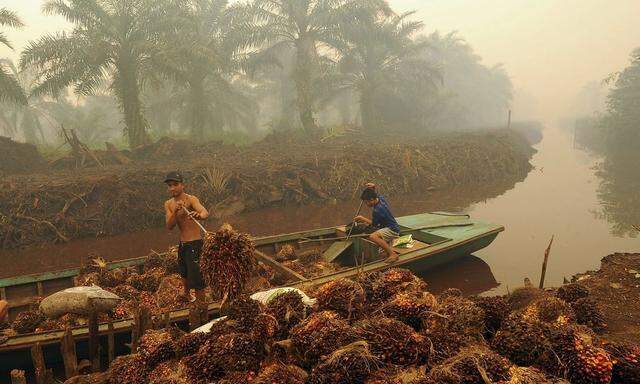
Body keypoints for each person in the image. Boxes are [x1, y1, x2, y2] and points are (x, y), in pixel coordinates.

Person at [164, 171, 209, 303]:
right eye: (170, 185)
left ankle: (202, 304)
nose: (172, 188)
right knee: (184, 274)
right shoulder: (168, 204)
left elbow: (205, 212)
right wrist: (176, 211)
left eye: (175, 184)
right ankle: (188, 297)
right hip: (183, 244)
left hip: (195, 243)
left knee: (197, 280)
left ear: (182, 185)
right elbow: (169, 226)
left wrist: (198, 215)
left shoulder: (191, 199)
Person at [354, 183, 400, 263]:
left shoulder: (377, 210)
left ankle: (393, 254)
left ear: (372, 200)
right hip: (391, 226)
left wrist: (362, 219)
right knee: (381, 253)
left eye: (366, 202)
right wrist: (373, 188)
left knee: (373, 236)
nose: (366, 204)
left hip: (392, 230)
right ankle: (386, 251)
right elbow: (376, 194)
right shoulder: (380, 199)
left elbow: (374, 224)